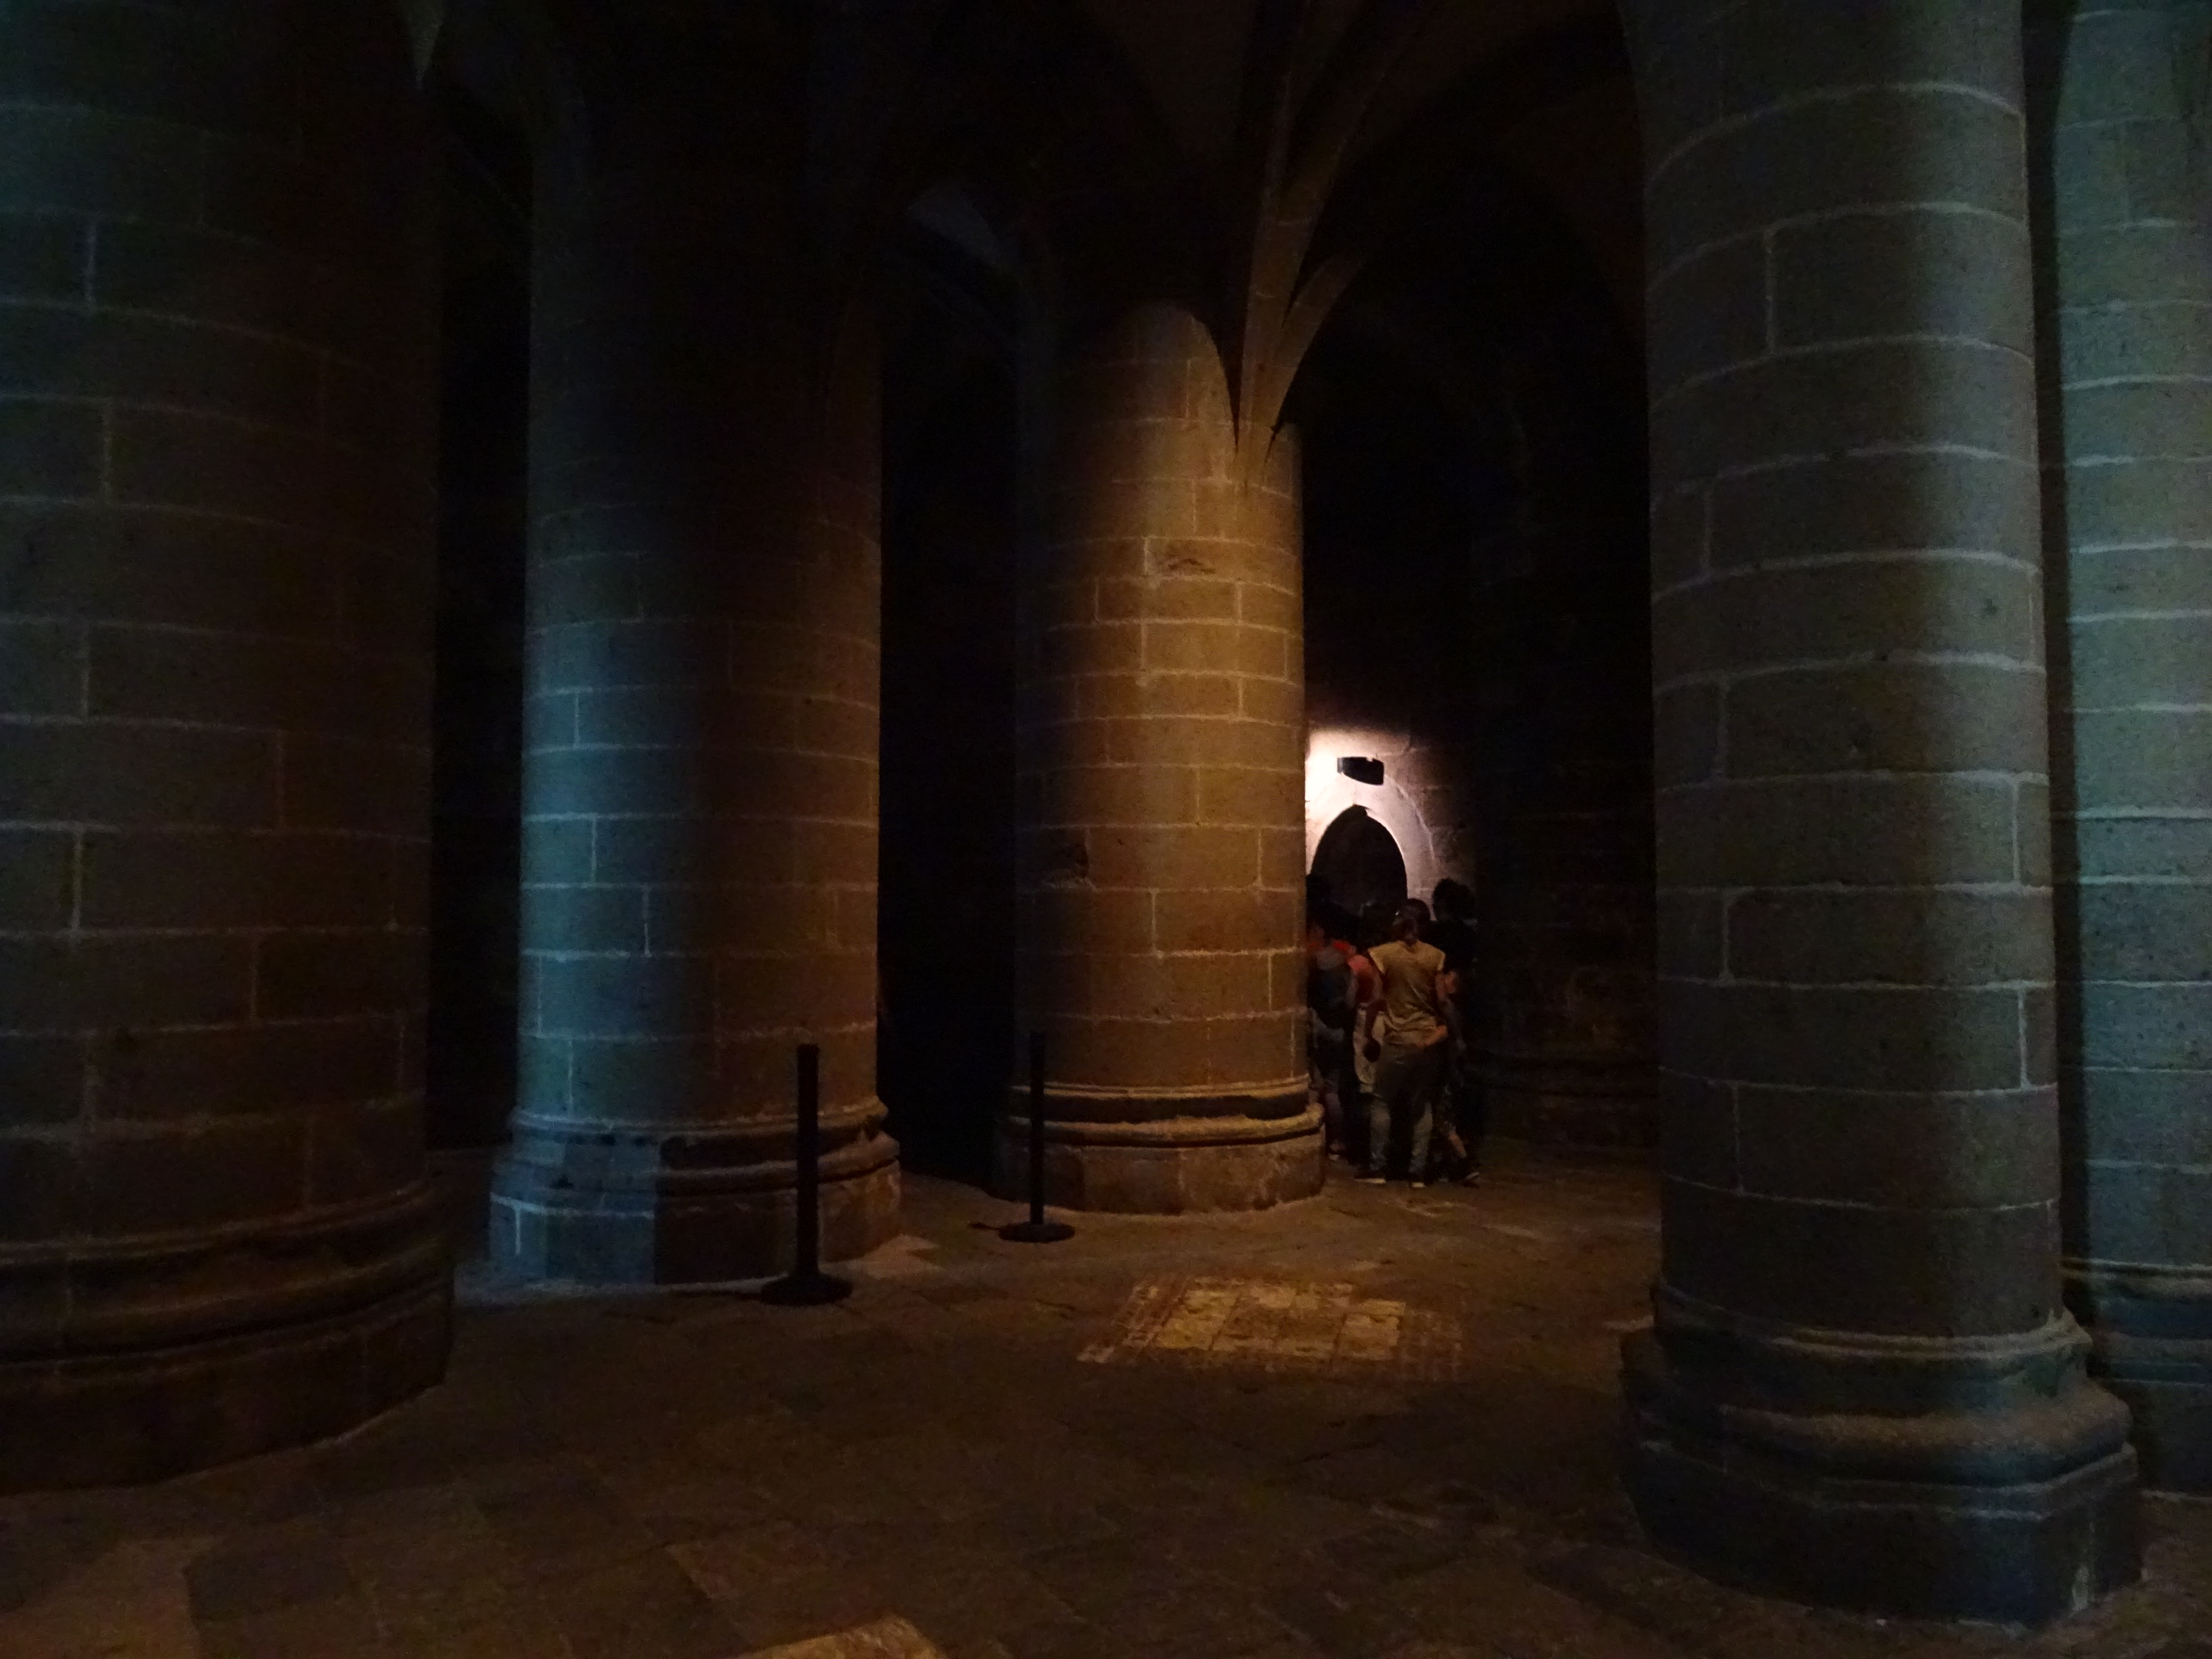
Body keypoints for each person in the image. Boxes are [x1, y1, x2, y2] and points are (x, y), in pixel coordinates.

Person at [1359, 898, 1453, 1186]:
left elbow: (1377, 998)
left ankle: (1378, 1168)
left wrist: (1367, 1033)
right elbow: (1443, 1000)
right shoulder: (1435, 956)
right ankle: (1418, 1171)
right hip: (1426, 1037)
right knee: (1421, 1105)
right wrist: (1454, 1030)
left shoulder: (1383, 954)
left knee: (1382, 1100)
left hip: (1398, 1037)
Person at [1427, 879, 1481, 1185]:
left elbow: (1445, 999)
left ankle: (1458, 1159)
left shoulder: (1438, 936)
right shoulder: (1469, 937)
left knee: (1441, 1093)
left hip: (1443, 1017)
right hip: (1460, 1014)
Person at [1304, 914, 1357, 1159]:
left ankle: (1314, 1136)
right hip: (1339, 1028)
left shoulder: (1313, 962)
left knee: (1316, 1085)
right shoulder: (1344, 962)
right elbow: (1350, 1001)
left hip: (1319, 1025)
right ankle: (1337, 1141)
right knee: (1334, 1089)